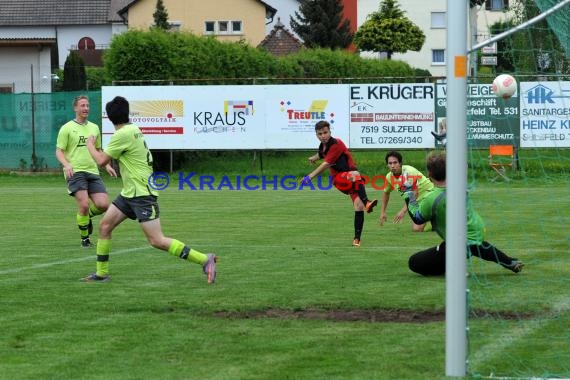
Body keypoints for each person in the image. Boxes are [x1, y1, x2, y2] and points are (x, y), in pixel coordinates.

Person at [83, 96, 217, 283]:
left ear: (110, 118)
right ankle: (101, 273)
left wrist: (89, 144)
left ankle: (204, 259)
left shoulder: (122, 134)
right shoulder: (134, 129)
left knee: (156, 240)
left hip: (142, 194)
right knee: (105, 226)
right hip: (130, 192)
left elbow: (100, 160)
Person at [403, 151, 524, 276]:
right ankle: (509, 262)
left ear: (429, 173)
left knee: (414, 262)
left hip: (458, 242)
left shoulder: (431, 198)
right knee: (477, 245)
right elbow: (463, 167)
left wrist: (408, 193)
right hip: (476, 230)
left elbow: (417, 218)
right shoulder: (460, 184)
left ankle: (455, 268)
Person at [301, 120, 377, 247]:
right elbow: (323, 157)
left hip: (351, 181)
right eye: (320, 134)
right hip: (340, 179)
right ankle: (367, 202)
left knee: (358, 206)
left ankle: (357, 239)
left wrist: (312, 168)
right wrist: (313, 165)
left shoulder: (336, 143)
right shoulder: (324, 146)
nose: (323, 136)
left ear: (330, 131)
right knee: (355, 175)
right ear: (316, 134)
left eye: (325, 133)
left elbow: (324, 159)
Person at [55, 95, 117, 248]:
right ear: (75, 108)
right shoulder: (67, 128)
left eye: (87, 106)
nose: (86, 108)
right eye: (82, 105)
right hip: (75, 171)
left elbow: (98, 149)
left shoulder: (94, 127)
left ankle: (86, 217)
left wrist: (107, 165)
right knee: (83, 204)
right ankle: (85, 239)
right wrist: (66, 164)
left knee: (103, 205)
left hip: (92, 171)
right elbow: (59, 151)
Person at [379, 151, 434, 232]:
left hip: (429, 195)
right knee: (416, 229)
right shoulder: (389, 177)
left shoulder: (408, 172)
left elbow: (414, 194)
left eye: (395, 162)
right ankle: (434, 221)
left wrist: (403, 211)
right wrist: (383, 212)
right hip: (416, 202)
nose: (392, 166)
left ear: (400, 163)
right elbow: (386, 193)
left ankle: (437, 220)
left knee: (417, 228)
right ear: (387, 165)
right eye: (390, 163)